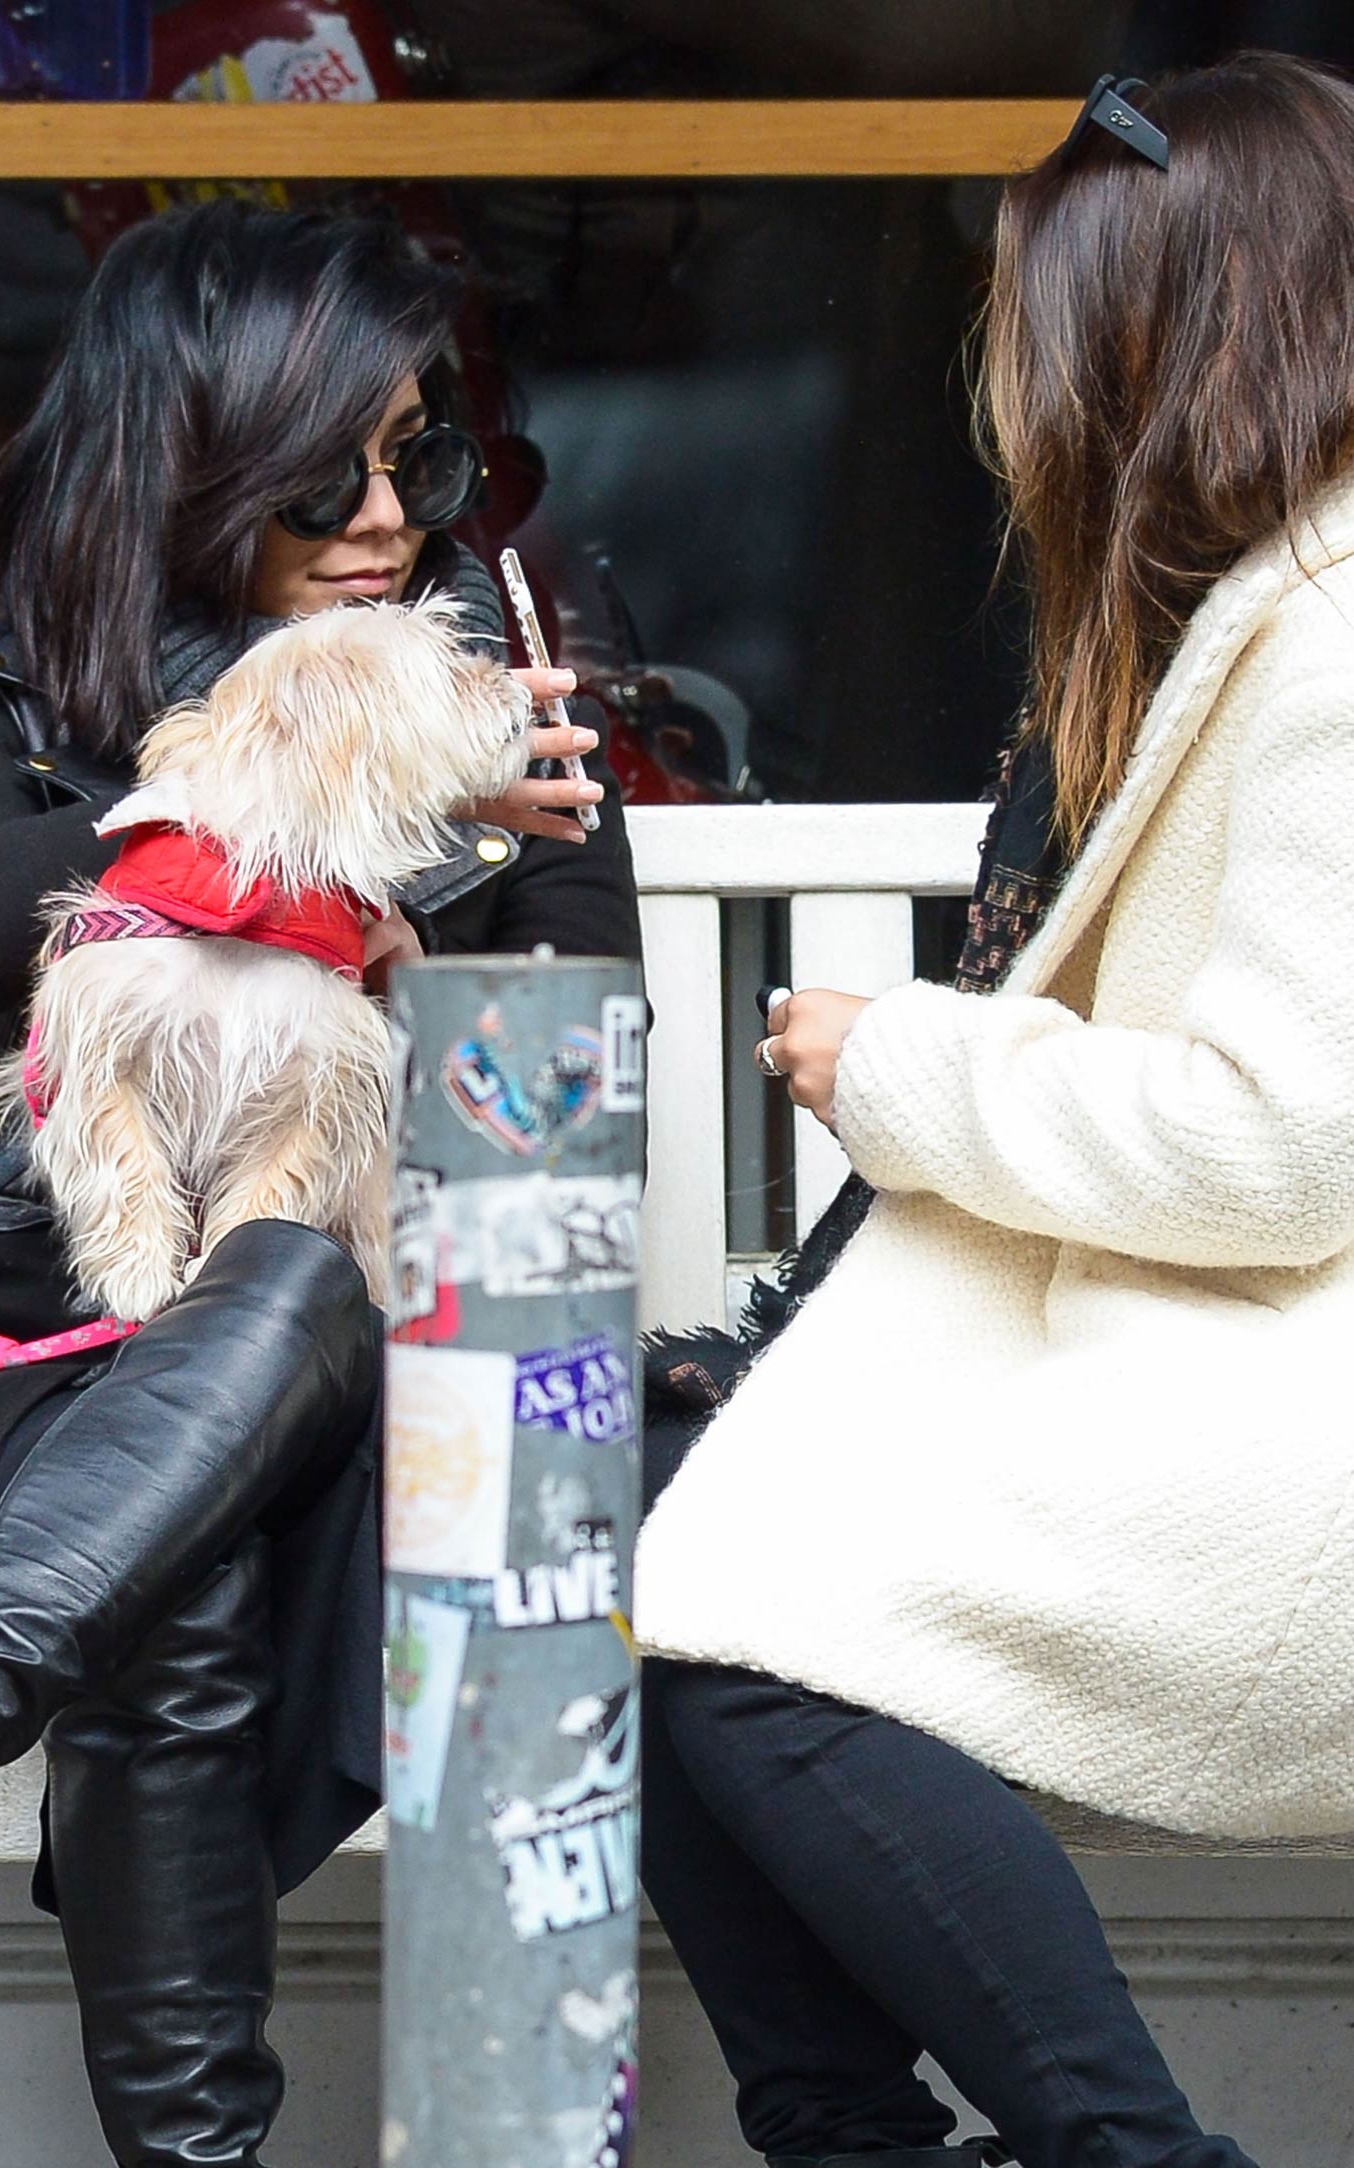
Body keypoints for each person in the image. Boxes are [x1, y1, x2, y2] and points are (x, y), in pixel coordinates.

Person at [0, 199, 641, 2168]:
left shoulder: (498, 710)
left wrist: (356, 804)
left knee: (291, 1287)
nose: (384, 514)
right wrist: (321, 821)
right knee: (177, 1526)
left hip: (386, 1369)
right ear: (183, 452)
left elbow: (572, 1055)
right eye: (323, 462)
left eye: (418, 454)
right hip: (30, 1365)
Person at [635, 51, 1354, 2168]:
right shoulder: (1272, 612)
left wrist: (902, 1067)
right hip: (1213, 1376)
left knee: (749, 1630)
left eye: (1050, 333)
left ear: (1170, 329)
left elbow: (1277, 1139)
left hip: (1283, 1428)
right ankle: (864, 2138)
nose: (1024, 393)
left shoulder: (1325, 647)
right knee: (673, 1564)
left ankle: (1120, 2152)